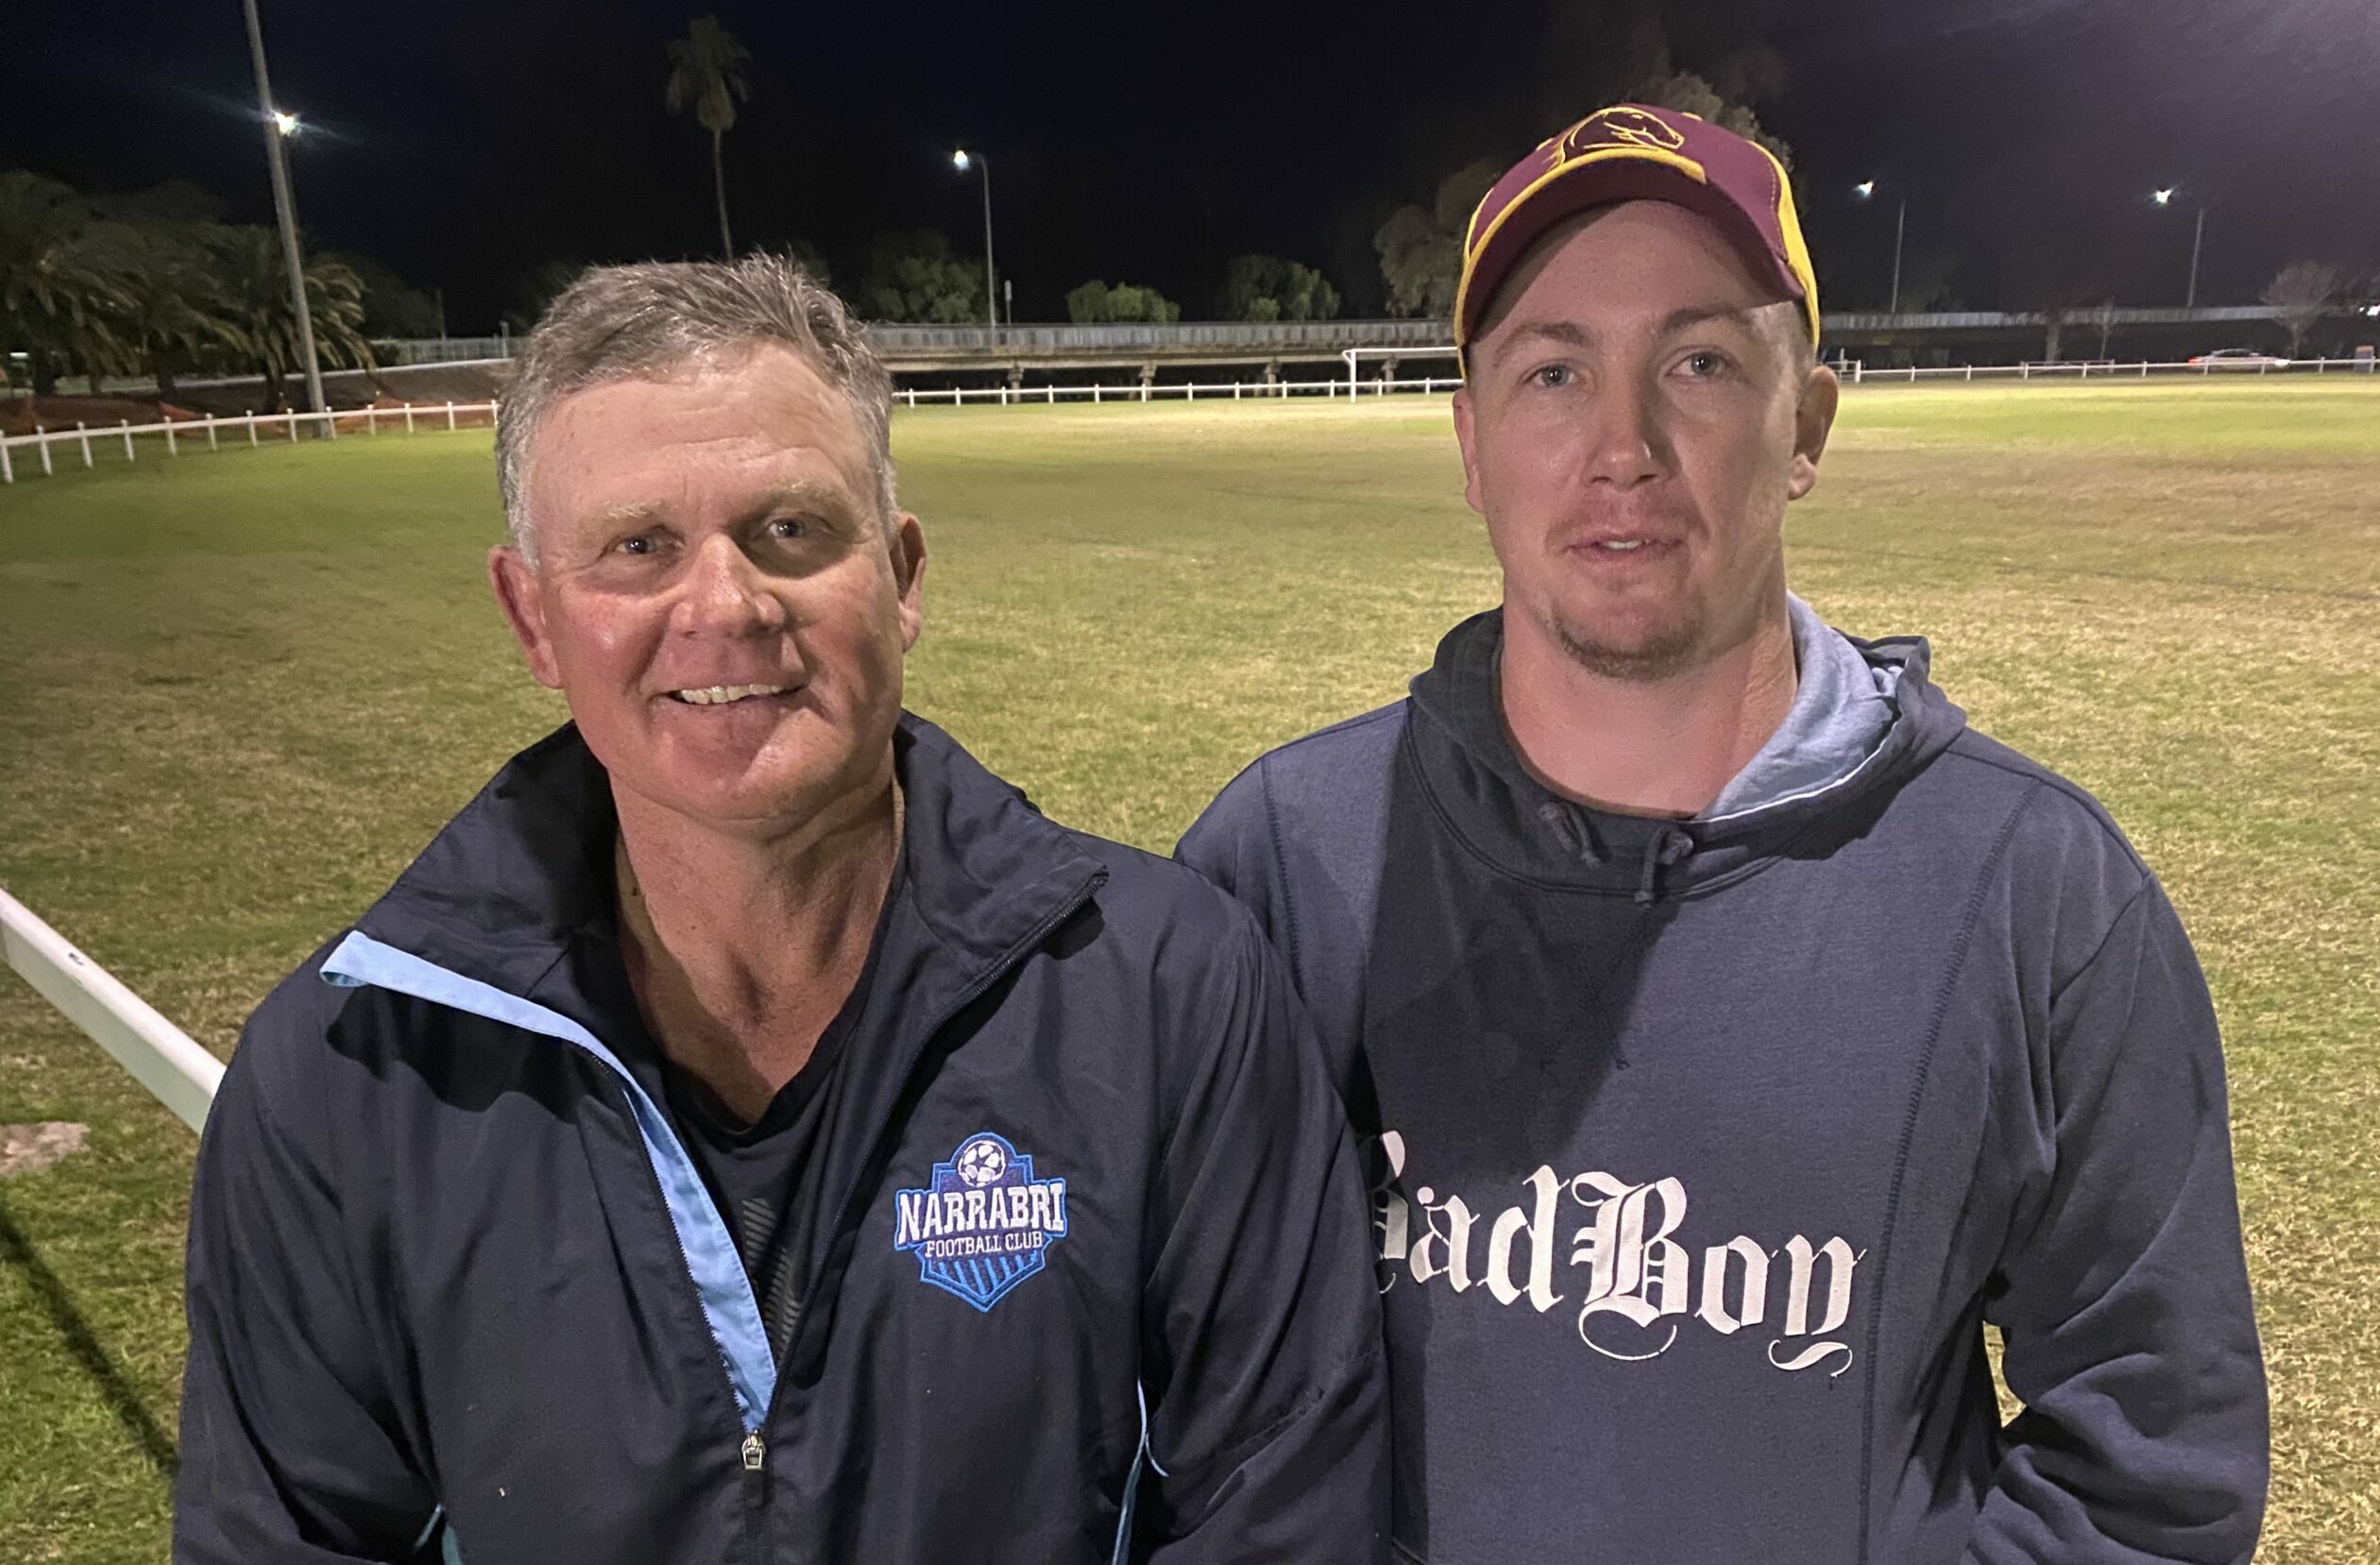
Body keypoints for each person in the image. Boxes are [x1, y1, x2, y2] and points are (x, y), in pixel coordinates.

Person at [1179, 105, 2266, 1563]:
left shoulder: (2038, 897)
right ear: (1470, 441)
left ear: (1804, 422)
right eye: (1552, 372)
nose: (1619, 446)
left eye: (1697, 362)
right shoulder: (1284, 860)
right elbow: (1168, 1406)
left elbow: (2151, 1477)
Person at [176, 256, 1386, 1565]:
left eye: (791, 532)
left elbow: (1283, 1515)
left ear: (905, 576)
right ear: (533, 619)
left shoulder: (1168, 992)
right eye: (638, 547)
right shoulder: (344, 1077)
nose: (724, 605)